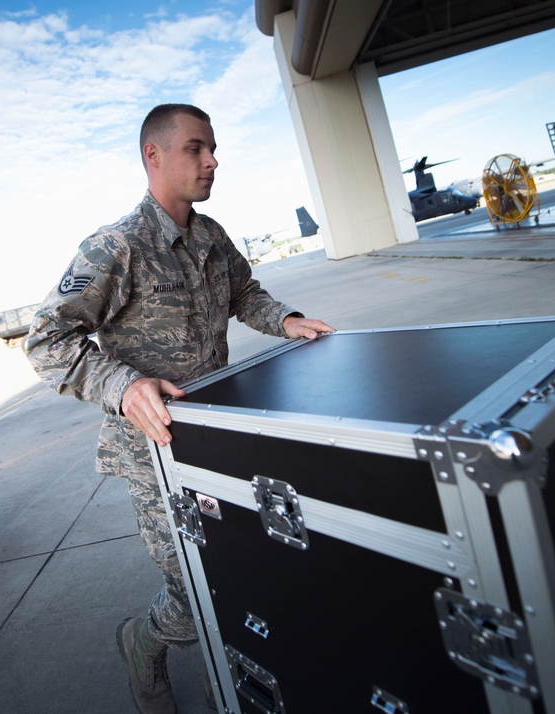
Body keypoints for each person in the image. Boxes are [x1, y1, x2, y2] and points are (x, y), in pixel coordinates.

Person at [25, 103, 334, 713]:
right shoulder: (116, 247)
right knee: (195, 594)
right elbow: (46, 340)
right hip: (155, 453)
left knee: (244, 569)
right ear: (154, 155)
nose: (212, 160)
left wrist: (287, 320)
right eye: (196, 148)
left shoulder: (211, 236)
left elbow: (245, 293)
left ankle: (241, 677)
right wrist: (122, 385)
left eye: (212, 148)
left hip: (218, 438)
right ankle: (143, 643)